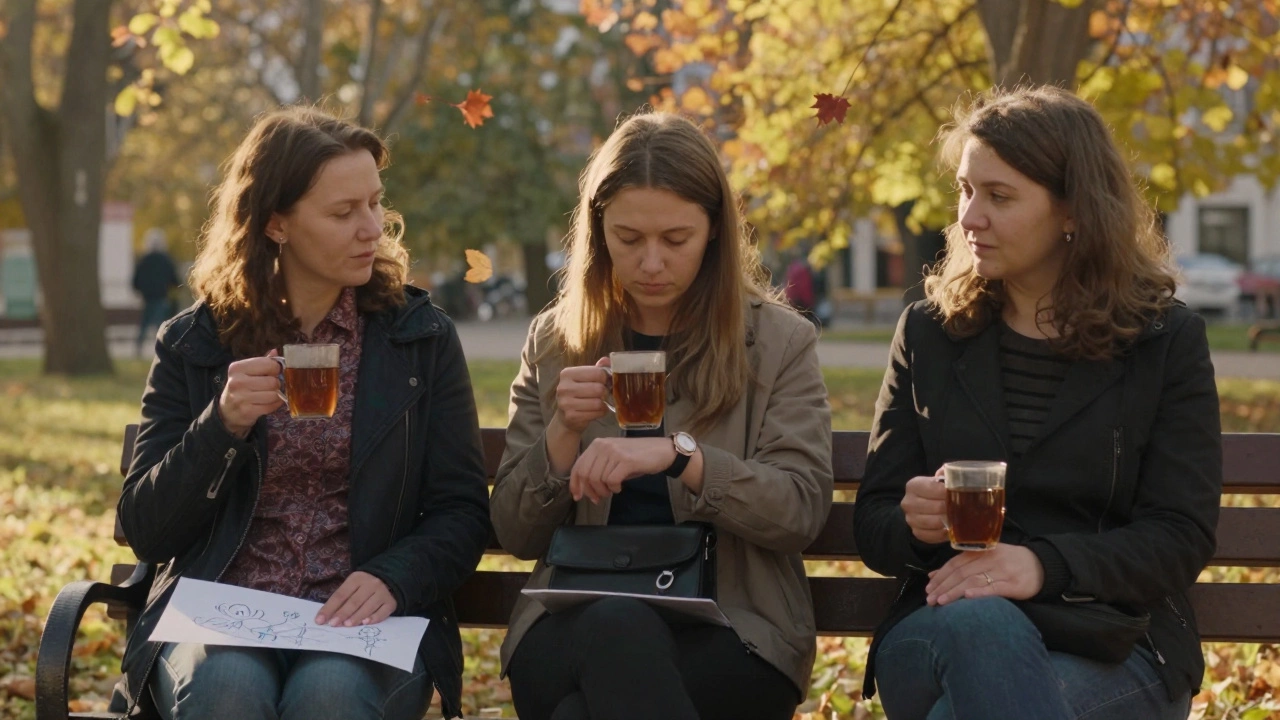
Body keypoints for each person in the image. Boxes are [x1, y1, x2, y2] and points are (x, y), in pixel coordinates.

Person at [853, 86, 1222, 719]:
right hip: (939, 629)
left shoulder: (1162, 341)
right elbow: (876, 523)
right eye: (967, 190)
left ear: (1074, 211)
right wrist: (913, 524)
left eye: (999, 197)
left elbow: (1178, 537)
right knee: (984, 627)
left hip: (1111, 639)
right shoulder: (929, 333)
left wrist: (1040, 566)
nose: (970, 217)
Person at [111, 107, 491, 720]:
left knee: (329, 696)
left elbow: (462, 510)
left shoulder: (417, 338)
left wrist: (394, 578)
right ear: (276, 224)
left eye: (375, 203)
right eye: (344, 213)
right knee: (228, 689)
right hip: (223, 615)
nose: (372, 228)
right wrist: (223, 423)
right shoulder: (197, 342)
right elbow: (149, 529)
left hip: (361, 619)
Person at [489, 111, 834, 720]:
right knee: (616, 627)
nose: (651, 263)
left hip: (736, 629)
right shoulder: (555, 342)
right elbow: (515, 534)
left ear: (714, 233)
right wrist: (562, 434)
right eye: (629, 239)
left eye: (676, 240)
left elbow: (799, 510)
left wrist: (684, 459)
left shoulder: (777, 342)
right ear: (598, 233)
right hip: (571, 620)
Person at [132, 227, 182, 355]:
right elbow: (174, 280)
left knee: (144, 324)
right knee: (160, 325)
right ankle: (163, 350)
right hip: (161, 296)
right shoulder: (166, 260)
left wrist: (140, 289)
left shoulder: (144, 260)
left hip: (147, 297)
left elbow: (136, 280)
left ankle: (138, 348)